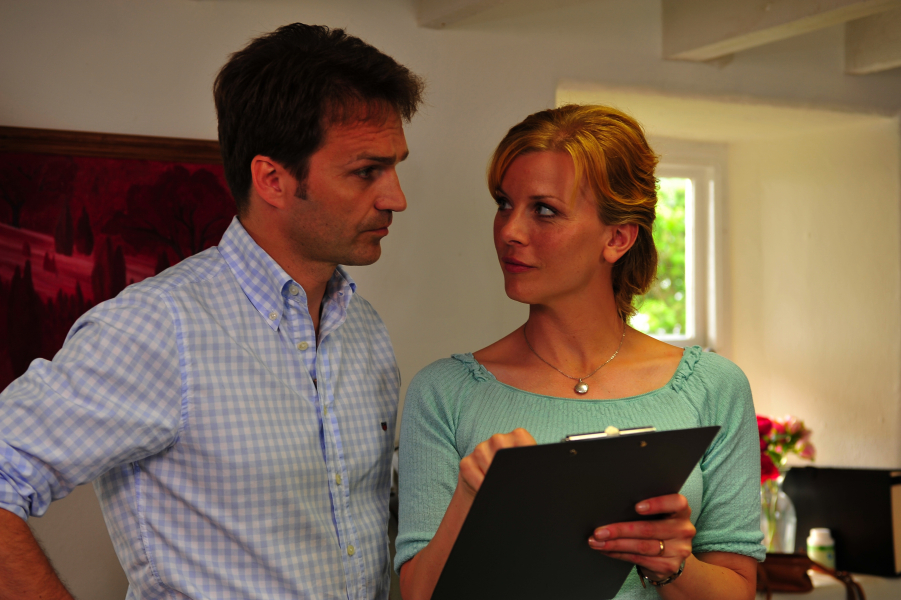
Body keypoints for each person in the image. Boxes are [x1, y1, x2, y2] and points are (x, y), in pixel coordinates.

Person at [0, 23, 423, 600]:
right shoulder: (159, 327)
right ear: (272, 179)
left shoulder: (362, 327)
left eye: (395, 167)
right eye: (366, 171)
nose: (396, 197)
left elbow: (358, 509)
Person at [395, 104, 764, 600]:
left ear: (617, 238)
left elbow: (738, 590)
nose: (509, 231)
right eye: (504, 203)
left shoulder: (713, 387)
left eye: (544, 210)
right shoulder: (444, 393)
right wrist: (469, 496)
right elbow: (417, 595)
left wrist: (672, 564)